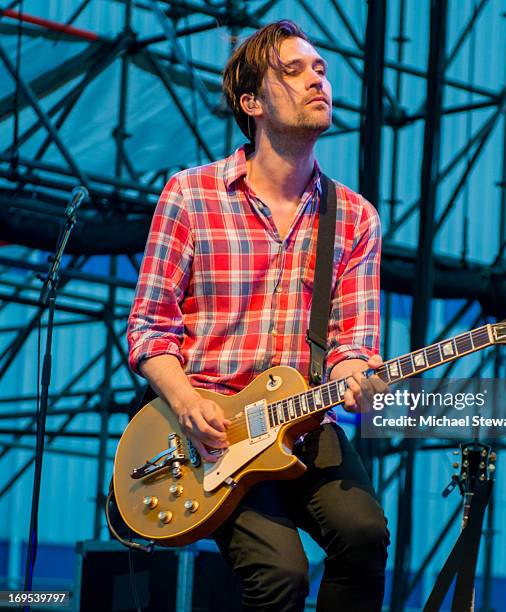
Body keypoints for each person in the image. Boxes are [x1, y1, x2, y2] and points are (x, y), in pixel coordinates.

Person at [127, 20, 390, 612]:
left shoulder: (354, 218)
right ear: (252, 103)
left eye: (319, 69)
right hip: (209, 428)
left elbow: (354, 341)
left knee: (364, 537)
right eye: (292, 71)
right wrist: (188, 402)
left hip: (304, 420)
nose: (315, 79)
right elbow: (149, 325)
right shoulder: (190, 195)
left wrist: (356, 375)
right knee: (281, 575)